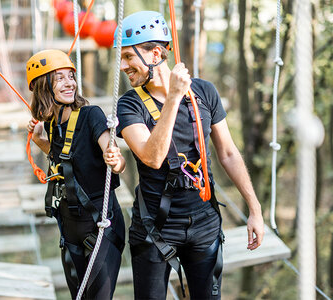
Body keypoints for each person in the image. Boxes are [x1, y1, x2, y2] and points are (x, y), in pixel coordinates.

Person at [114, 11, 265, 299]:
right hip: (155, 226)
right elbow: (152, 157)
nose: (123, 66)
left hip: (204, 220)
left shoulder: (204, 92)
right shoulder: (129, 105)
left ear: (155, 53)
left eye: (129, 57)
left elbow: (229, 153)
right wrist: (172, 98)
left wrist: (254, 209)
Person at [26, 49, 126, 299]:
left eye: (71, 76)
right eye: (59, 78)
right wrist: (42, 143)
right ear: (43, 87)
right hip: (70, 225)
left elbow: (113, 153)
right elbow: (69, 166)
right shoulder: (50, 124)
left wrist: (115, 159)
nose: (69, 82)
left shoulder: (91, 115)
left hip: (100, 222)